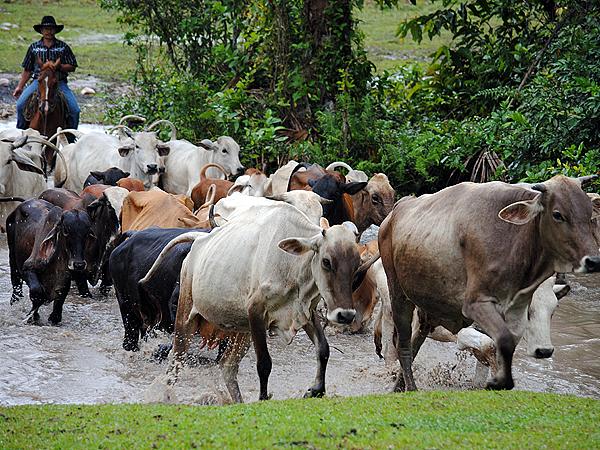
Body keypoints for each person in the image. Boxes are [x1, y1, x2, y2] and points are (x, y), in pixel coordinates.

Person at [12, 16, 80, 131]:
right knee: (20, 106)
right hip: (38, 81)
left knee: (75, 110)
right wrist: (20, 86)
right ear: (41, 30)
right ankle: (21, 133)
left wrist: (59, 67)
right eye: (46, 28)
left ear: (55, 30)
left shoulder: (63, 47)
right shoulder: (34, 48)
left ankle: (70, 137)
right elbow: (27, 69)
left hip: (58, 82)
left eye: (51, 28)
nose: (49, 31)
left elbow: (72, 66)